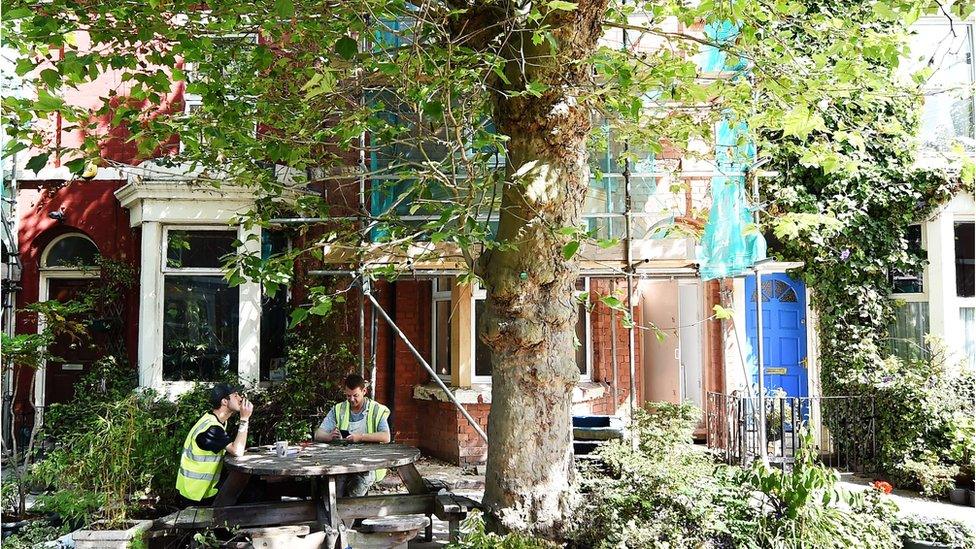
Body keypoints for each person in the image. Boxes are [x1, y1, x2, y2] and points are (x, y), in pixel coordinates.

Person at [176, 383, 254, 505]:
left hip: (203, 489)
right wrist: (244, 419)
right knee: (252, 495)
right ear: (224, 401)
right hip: (196, 495)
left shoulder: (214, 420)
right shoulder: (211, 428)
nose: (240, 398)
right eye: (235, 396)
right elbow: (237, 451)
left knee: (251, 490)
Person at [314, 374, 391, 496]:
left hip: (368, 464)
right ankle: (334, 512)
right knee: (334, 490)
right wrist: (329, 437)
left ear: (364, 391)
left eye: (355, 396)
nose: (351, 399)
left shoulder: (376, 409)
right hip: (342, 462)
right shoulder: (339, 409)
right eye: (348, 396)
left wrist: (360, 437)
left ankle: (353, 513)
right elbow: (318, 434)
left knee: (356, 490)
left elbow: (386, 437)